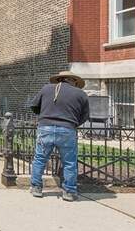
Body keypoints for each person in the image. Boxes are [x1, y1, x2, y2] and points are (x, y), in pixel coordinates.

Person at [26, 70, 90, 202]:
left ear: (60, 79)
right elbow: (85, 116)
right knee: (69, 163)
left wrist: (44, 116)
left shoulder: (46, 89)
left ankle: (36, 187)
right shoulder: (81, 94)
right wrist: (73, 123)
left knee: (40, 159)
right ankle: (69, 192)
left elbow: (34, 106)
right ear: (73, 81)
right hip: (67, 129)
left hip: (45, 128)